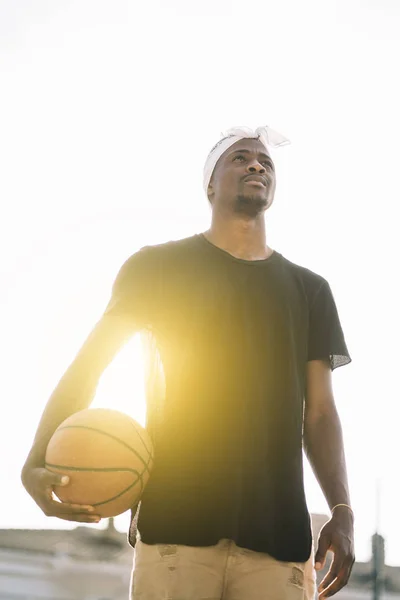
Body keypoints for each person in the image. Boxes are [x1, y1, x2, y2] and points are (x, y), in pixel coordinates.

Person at [21, 125, 355, 600]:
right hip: (176, 528)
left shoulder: (310, 290)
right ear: (211, 184)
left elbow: (320, 413)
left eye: (266, 162)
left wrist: (342, 508)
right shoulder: (157, 267)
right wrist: (36, 458)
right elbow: (88, 369)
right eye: (240, 158)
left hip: (278, 540)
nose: (257, 165)